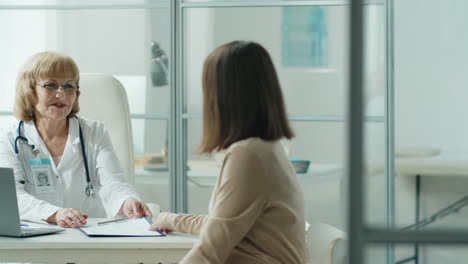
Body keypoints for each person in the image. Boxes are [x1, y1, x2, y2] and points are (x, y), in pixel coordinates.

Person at [150, 41, 307, 263]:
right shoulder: (267, 148)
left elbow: (210, 249)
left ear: (223, 95)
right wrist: (171, 220)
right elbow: (224, 222)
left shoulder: (248, 156)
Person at [0, 51, 152, 228]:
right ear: (29, 90)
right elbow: (11, 197)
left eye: (69, 86)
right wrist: (54, 214)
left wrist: (127, 201)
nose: (61, 94)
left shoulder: (94, 132)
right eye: (51, 85)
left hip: (87, 238)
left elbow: (113, 182)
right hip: (35, 239)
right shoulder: (8, 139)